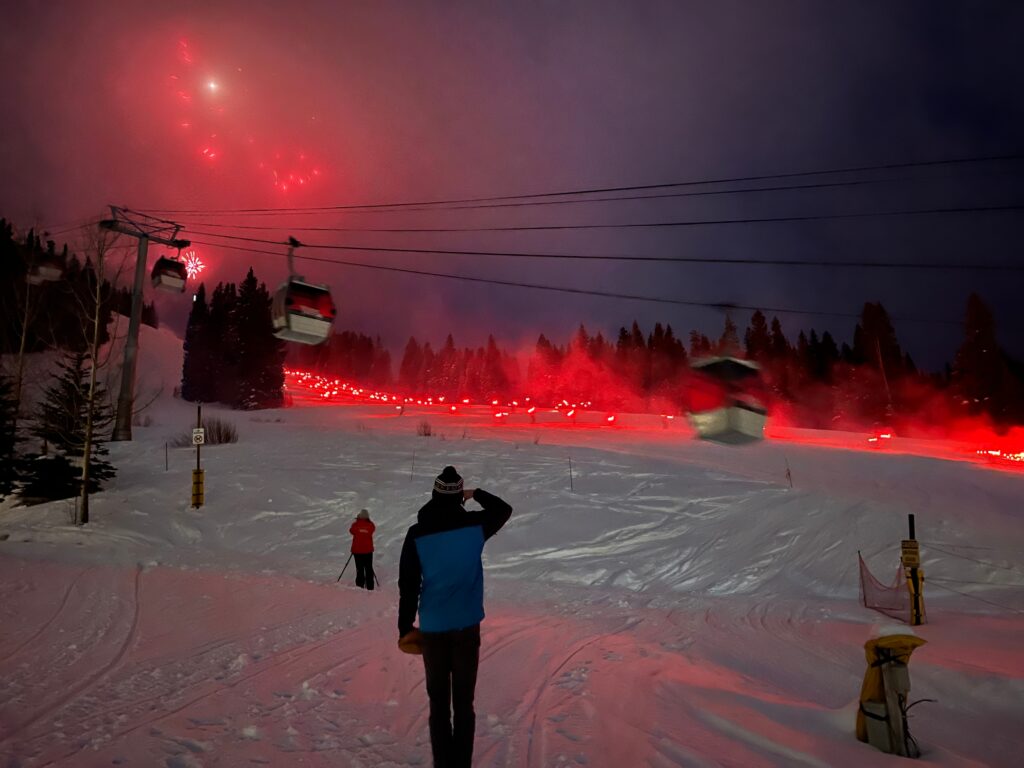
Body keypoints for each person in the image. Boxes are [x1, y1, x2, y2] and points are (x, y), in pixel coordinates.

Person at [398, 466, 512, 768]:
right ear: (459, 497)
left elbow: (408, 585)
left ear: (434, 495)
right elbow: (504, 509)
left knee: (439, 705)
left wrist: (404, 627)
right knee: (464, 704)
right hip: (466, 625)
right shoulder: (475, 526)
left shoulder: (417, 533)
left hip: (434, 626)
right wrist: (475, 494)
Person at [349, 509, 376, 590]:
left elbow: (351, 531)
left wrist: (358, 520)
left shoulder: (355, 525)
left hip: (357, 551)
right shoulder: (370, 525)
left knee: (359, 568)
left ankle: (360, 585)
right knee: (368, 568)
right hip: (368, 551)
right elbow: (372, 530)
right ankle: (370, 586)